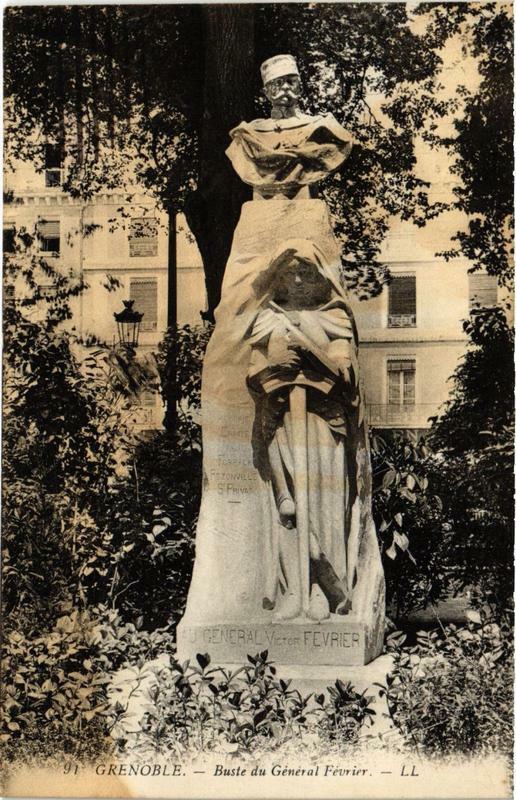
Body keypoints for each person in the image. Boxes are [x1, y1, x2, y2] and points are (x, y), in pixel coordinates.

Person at [246, 239, 360, 620]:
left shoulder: (335, 317)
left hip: (322, 427)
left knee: (322, 510)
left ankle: (325, 592)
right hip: (282, 424)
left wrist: (311, 352)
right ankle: (293, 589)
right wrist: (274, 369)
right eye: (289, 272)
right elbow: (253, 373)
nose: (296, 279)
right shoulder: (266, 319)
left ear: (319, 278)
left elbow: (346, 374)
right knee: (288, 512)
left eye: (305, 272)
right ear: (277, 278)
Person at [226, 54, 353, 199]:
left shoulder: (322, 127)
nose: (285, 87)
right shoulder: (249, 134)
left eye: (290, 81)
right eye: (278, 83)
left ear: (299, 88)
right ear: (266, 92)